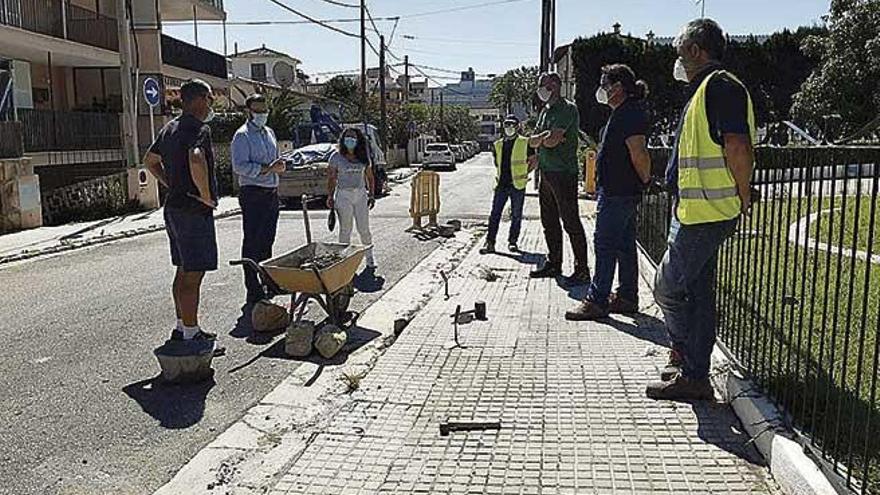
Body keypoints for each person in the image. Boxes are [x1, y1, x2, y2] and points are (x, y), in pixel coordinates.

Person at [647, 18, 756, 401]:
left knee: (667, 287)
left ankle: (688, 362)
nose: (677, 58)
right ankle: (693, 370)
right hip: (696, 211)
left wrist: (744, 195)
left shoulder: (721, 87)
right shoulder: (705, 90)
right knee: (697, 292)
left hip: (710, 212)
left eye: (680, 50)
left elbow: (738, 147)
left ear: (696, 50)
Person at [566, 65, 652, 321]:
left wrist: (646, 179)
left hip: (619, 192)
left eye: (605, 83)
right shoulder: (621, 113)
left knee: (604, 245)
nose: (601, 88)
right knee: (624, 246)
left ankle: (597, 300)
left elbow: (639, 152)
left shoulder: (629, 115)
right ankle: (626, 296)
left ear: (617, 87)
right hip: (617, 191)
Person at [143, 79, 219, 341]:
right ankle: (192, 333)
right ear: (198, 99)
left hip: (174, 207)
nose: (211, 104)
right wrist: (206, 195)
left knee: (182, 269)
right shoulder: (197, 128)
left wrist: (170, 182)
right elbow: (196, 158)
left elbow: (150, 161)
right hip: (193, 210)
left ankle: (182, 327)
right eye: (209, 98)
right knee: (194, 274)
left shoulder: (169, 128)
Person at [528, 72, 591, 284]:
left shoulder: (567, 109)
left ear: (554, 85)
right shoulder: (545, 111)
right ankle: (554, 262)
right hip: (546, 172)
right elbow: (534, 140)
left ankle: (582, 269)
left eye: (543, 85)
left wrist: (546, 138)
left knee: (570, 222)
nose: (540, 89)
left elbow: (552, 141)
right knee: (549, 221)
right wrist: (545, 138)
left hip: (564, 173)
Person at [231, 94, 286, 304]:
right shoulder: (242, 136)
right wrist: (268, 169)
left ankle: (267, 281)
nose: (262, 114)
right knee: (252, 242)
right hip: (253, 193)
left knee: (267, 241)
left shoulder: (269, 133)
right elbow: (240, 166)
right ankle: (253, 289)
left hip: (271, 192)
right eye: (258, 110)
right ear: (249, 112)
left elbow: (274, 160)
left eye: (265, 110)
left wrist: (279, 166)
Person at [480, 115, 536, 254]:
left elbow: (534, 160)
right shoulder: (498, 144)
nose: (509, 128)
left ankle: (513, 242)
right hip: (501, 185)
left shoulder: (525, 142)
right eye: (507, 125)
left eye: (512, 125)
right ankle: (490, 242)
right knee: (495, 214)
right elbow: (496, 162)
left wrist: (525, 173)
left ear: (517, 127)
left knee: (516, 215)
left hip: (518, 185)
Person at [327, 127, 376, 270]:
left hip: (360, 194)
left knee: (364, 228)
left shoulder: (363, 157)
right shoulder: (336, 157)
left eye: (353, 137)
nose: (350, 140)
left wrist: (372, 195)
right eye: (347, 136)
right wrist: (330, 196)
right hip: (343, 195)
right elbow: (331, 178)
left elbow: (370, 177)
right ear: (342, 139)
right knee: (345, 229)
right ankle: (344, 260)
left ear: (358, 140)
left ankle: (370, 257)